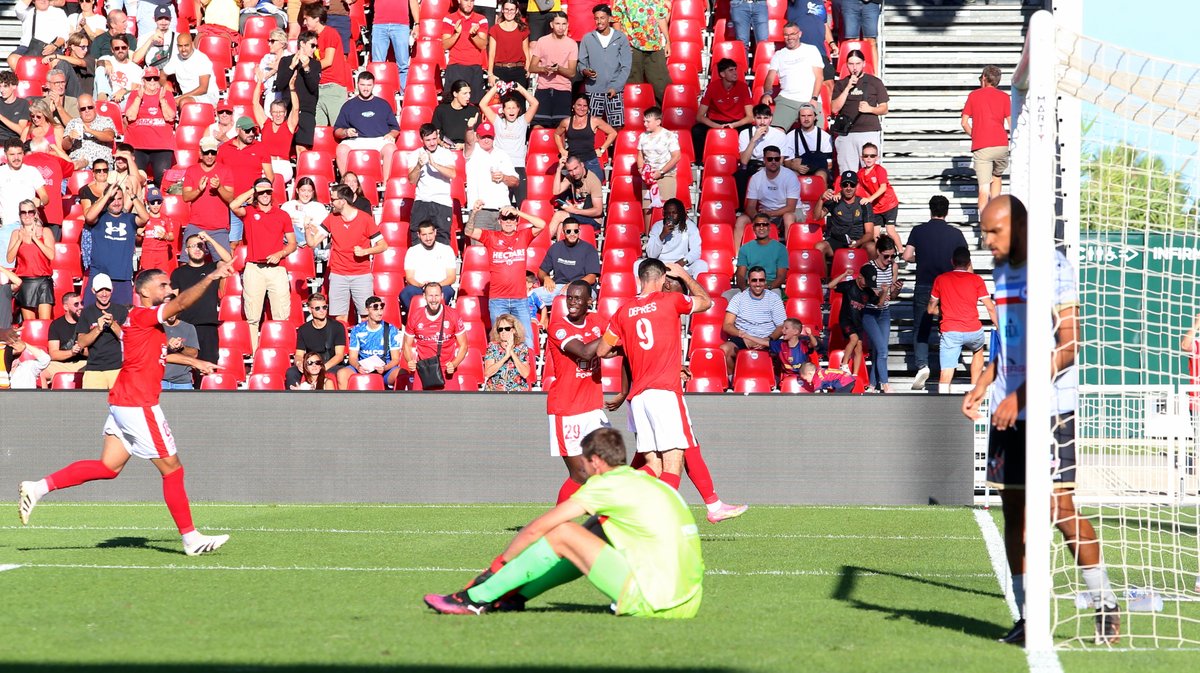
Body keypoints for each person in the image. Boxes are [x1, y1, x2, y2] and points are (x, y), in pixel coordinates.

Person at [962, 195, 1121, 645]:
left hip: (1049, 410)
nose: (986, 240)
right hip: (1008, 408)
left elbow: (1069, 346)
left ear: (1019, 227)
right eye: (983, 232)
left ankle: (1105, 602)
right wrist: (984, 383)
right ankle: (1027, 615)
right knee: (1013, 508)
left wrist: (1021, 394)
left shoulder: (1053, 268)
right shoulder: (1002, 270)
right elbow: (1008, 340)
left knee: (1057, 508)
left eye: (994, 232)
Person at [19, 264, 232, 556]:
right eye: (162, 285)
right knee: (173, 471)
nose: (168, 290)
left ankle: (38, 487)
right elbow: (181, 303)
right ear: (143, 291)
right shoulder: (144, 315)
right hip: (138, 403)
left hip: (122, 402)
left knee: (108, 468)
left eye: (169, 285)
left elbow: (153, 356)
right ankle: (191, 538)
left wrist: (194, 362)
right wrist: (212, 277)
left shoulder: (141, 322)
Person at [423, 427, 704, 617]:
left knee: (564, 533)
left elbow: (538, 529)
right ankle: (513, 599)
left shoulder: (605, 485)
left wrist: (497, 567)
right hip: (688, 602)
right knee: (589, 533)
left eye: (583, 463)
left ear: (595, 461)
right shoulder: (643, 480)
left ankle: (474, 600)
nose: (583, 469)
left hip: (656, 602)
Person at [596, 259, 709, 489]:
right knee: (673, 461)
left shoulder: (623, 311)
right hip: (664, 391)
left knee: (653, 466)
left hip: (638, 398)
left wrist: (627, 345)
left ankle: (619, 491)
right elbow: (706, 302)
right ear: (663, 279)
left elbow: (602, 351)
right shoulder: (670, 301)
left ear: (639, 279)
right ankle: (666, 519)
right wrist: (685, 275)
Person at [543, 280, 610, 501]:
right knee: (580, 474)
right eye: (569, 297)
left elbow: (620, 347)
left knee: (608, 468)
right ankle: (558, 526)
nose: (572, 302)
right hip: (567, 409)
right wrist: (614, 334)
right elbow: (584, 352)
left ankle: (610, 526)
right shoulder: (558, 327)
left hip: (592, 407)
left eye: (577, 298)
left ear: (589, 301)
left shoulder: (597, 321)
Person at [903, 194, 968, 390]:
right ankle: (947, 366)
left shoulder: (918, 230)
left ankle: (922, 365)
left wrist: (920, 259)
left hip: (924, 285)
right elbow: (964, 262)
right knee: (947, 327)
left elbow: (907, 256)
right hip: (948, 287)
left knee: (921, 327)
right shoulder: (956, 234)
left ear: (930, 210)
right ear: (946, 211)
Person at [466, 203, 547, 346]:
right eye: (505, 218)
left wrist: (518, 212)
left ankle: (528, 368)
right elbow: (469, 232)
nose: (509, 221)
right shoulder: (490, 236)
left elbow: (541, 224)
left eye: (512, 218)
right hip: (498, 300)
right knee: (499, 341)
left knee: (526, 339)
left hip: (520, 299)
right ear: (499, 221)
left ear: (517, 221)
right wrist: (474, 212)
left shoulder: (523, 235)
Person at [305, 184, 387, 323]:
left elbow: (383, 245)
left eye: (333, 199)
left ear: (342, 201)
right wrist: (307, 228)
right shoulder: (331, 218)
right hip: (338, 274)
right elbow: (312, 243)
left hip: (361, 274)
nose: (331, 202)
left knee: (367, 317)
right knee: (339, 318)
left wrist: (365, 251)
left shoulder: (365, 219)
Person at [231, 178, 297, 351]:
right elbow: (234, 205)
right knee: (252, 317)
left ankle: (280, 354)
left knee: (281, 316)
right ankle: (254, 356)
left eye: (268, 191)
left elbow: (292, 243)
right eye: (261, 192)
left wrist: (280, 253)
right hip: (254, 268)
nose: (265, 195)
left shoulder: (282, 215)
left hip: (277, 269)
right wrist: (253, 190)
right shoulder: (250, 212)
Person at [930, 246, 996, 394]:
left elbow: (930, 309)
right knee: (978, 349)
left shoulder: (941, 279)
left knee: (946, 371)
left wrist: (944, 311)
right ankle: (974, 389)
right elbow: (991, 308)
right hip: (973, 330)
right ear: (969, 263)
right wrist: (998, 326)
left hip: (950, 331)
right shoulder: (977, 280)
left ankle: (943, 401)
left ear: (952, 262)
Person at [170, 231, 232, 371]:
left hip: (207, 327)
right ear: (186, 250)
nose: (197, 249)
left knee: (208, 369)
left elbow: (228, 260)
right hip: (185, 326)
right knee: (185, 368)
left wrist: (209, 239)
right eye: (193, 246)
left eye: (200, 246)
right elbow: (173, 300)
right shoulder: (178, 273)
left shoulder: (213, 268)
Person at [85, 183, 147, 306]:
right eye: (112, 199)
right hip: (99, 276)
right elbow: (89, 216)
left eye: (119, 199)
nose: (117, 203)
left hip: (122, 277)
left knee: (123, 319)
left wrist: (133, 196)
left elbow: (145, 218)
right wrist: (107, 195)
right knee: (92, 318)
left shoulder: (130, 218)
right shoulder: (100, 217)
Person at [962, 65, 1011, 218]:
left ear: (984, 78)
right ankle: (996, 218)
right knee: (996, 176)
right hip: (1001, 145)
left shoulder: (973, 96)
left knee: (983, 189)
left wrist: (975, 135)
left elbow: (964, 123)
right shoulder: (1004, 97)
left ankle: (985, 229)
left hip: (982, 146)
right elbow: (1011, 124)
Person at [333, 71, 401, 182]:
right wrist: (346, 132)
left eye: (369, 85)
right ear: (357, 85)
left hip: (379, 140)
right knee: (341, 149)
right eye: (363, 85)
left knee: (391, 149)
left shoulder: (383, 104)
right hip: (356, 140)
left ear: (373, 85)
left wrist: (391, 134)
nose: (366, 88)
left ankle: (386, 186)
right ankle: (347, 186)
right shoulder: (348, 105)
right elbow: (337, 130)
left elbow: (395, 129)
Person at [219, 116, 275, 247]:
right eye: (247, 130)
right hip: (232, 201)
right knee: (233, 241)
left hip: (253, 201)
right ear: (238, 130)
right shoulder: (224, 149)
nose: (251, 134)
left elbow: (270, 177)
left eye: (253, 131)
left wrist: (256, 195)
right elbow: (218, 174)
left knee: (257, 240)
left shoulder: (261, 148)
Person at [830, 49, 888, 173]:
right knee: (847, 174)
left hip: (869, 131)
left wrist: (870, 109)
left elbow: (884, 108)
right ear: (846, 65)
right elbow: (834, 108)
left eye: (857, 63)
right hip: (846, 134)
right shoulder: (841, 84)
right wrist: (847, 88)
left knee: (870, 172)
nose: (854, 67)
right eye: (851, 64)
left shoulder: (875, 82)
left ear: (864, 64)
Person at [480, 82, 539, 206]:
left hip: (518, 167)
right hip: (502, 168)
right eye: (508, 108)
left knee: (522, 204)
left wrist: (520, 88)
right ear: (503, 110)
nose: (511, 110)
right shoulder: (498, 122)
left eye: (514, 107)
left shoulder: (522, 121)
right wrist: (496, 87)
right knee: (502, 204)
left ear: (518, 109)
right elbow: (483, 104)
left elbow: (535, 103)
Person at [721, 265, 787, 373]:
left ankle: (775, 381)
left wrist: (767, 340)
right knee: (725, 350)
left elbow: (781, 326)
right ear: (748, 281)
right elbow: (727, 325)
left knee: (786, 351)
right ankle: (733, 381)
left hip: (768, 339)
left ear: (765, 281)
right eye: (754, 280)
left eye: (761, 280)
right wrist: (743, 336)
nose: (758, 284)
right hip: (743, 338)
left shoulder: (774, 298)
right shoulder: (738, 298)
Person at [761, 22, 825, 130]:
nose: (789, 37)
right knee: (775, 133)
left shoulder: (811, 50)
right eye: (786, 35)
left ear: (799, 34)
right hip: (787, 100)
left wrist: (813, 99)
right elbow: (770, 77)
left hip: (809, 100)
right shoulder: (779, 55)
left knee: (816, 135)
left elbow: (819, 77)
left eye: (792, 34)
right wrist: (767, 93)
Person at [403, 283, 469, 389]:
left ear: (442, 296)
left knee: (452, 404)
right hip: (424, 369)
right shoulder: (415, 316)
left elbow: (464, 345)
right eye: (430, 296)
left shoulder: (453, 314)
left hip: (448, 369)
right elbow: (406, 344)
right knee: (419, 404)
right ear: (424, 296)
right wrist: (409, 360)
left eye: (437, 295)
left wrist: (455, 363)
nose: (434, 299)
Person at [732, 145, 800, 244]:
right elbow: (750, 207)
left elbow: (791, 207)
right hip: (766, 214)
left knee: (788, 217)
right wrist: (759, 218)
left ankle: (789, 255)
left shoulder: (790, 176)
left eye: (776, 159)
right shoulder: (756, 178)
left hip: (790, 212)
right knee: (741, 220)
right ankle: (737, 256)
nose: (773, 162)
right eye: (770, 159)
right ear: (764, 160)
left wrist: (770, 214)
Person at [577, 5, 631, 130]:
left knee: (616, 126)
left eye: (602, 18)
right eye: (596, 18)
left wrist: (616, 87)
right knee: (592, 126)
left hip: (614, 90)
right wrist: (585, 71)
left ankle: (615, 150)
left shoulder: (621, 38)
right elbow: (581, 62)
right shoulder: (587, 38)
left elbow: (625, 66)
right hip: (594, 89)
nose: (599, 21)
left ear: (610, 18)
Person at [122, 65, 177, 184]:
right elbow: (130, 116)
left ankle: (159, 201)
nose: (152, 81)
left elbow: (170, 116)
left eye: (155, 78)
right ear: (143, 81)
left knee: (161, 178)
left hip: (161, 146)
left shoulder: (167, 94)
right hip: (137, 146)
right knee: (135, 179)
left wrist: (162, 100)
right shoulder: (134, 95)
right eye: (149, 78)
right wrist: (139, 98)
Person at [860, 236, 900, 393]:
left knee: (878, 350)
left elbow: (893, 295)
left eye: (892, 256)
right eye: (886, 256)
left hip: (884, 313)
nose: (889, 259)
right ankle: (885, 383)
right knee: (883, 350)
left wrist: (896, 288)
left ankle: (872, 384)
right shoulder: (868, 268)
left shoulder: (893, 267)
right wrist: (883, 293)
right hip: (870, 312)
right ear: (878, 252)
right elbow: (876, 299)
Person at [407, 123, 458, 245]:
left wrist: (434, 164)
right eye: (428, 140)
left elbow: (453, 174)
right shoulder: (415, 154)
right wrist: (419, 165)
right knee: (417, 240)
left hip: (442, 202)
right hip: (422, 202)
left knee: (442, 240)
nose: (432, 143)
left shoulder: (446, 153)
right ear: (421, 140)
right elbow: (411, 180)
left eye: (434, 139)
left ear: (438, 136)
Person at [75, 273, 128, 389]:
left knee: (121, 406)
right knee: (93, 406)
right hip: (94, 369)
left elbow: (128, 338)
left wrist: (113, 324)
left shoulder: (121, 311)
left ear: (112, 290)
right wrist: (98, 329)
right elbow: (81, 342)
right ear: (93, 291)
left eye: (107, 290)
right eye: (100, 290)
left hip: (118, 368)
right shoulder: (87, 313)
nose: (104, 294)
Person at [465, 121, 521, 232]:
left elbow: (516, 181)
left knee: (502, 248)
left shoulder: (502, 154)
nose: (486, 140)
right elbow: (468, 142)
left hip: (502, 210)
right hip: (480, 210)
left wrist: (503, 177)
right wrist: (469, 128)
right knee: (480, 248)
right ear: (477, 137)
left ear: (493, 137)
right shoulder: (473, 151)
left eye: (489, 137)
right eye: (483, 137)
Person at [694, 58, 754, 159]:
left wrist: (733, 125)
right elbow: (699, 116)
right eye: (731, 70)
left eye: (735, 69)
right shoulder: (712, 87)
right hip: (716, 121)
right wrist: (717, 126)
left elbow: (750, 117)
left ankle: (745, 161)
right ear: (722, 74)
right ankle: (702, 162)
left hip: (737, 122)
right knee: (697, 130)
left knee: (750, 131)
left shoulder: (743, 87)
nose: (735, 73)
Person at [6, 200, 56, 322]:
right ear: (20, 215)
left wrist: (35, 239)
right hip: (25, 281)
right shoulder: (16, 233)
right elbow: (9, 259)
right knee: (29, 323)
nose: (27, 215)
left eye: (30, 212)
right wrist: (19, 240)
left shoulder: (45, 231)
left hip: (43, 280)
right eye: (23, 212)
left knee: (45, 321)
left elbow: (51, 255)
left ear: (35, 214)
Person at [302, 5, 351, 127]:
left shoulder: (330, 33)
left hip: (332, 86)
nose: (304, 23)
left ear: (316, 19)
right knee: (319, 129)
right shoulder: (312, 37)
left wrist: (308, 67)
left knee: (338, 128)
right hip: (319, 87)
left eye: (306, 19)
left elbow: (328, 60)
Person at [611, 0, 668, 104]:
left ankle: (661, 116)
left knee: (662, 85)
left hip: (655, 45)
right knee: (634, 86)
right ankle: (635, 116)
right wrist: (621, 42)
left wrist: (668, 41)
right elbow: (616, 19)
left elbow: (661, 17)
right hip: (632, 46)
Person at [285, 293, 347, 388]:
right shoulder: (303, 329)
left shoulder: (337, 327)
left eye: (324, 307)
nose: (322, 311)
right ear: (310, 310)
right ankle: (294, 399)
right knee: (291, 372)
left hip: (331, 364)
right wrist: (299, 363)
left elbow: (339, 355)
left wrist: (322, 368)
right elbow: (298, 354)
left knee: (339, 373)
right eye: (317, 308)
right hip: (311, 365)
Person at [535, 217, 600, 306]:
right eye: (568, 231)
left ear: (579, 231)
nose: (572, 234)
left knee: (570, 298)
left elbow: (592, 278)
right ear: (563, 231)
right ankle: (541, 319)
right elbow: (541, 271)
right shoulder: (555, 248)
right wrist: (546, 278)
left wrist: (572, 285)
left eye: (575, 231)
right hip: (559, 287)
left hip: (582, 287)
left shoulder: (589, 249)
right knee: (531, 296)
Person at [527, 12, 578, 128]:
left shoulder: (572, 44)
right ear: (551, 24)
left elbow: (572, 72)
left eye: (564, 24)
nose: (561, 27)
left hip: (563, 90)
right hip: (543, 89)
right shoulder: (542, 41)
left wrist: (558, 69)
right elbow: (532, 67)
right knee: (538, 126)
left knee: (561, 128)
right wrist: (543, 69)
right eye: (558, 24)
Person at [274, 30, 321, 151]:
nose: (314, 49)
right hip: (288, 110)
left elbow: (313, 88)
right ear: (302, 44)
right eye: (312, 45)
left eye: (316, 46)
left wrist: (306, 69)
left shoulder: (315, 65)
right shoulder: (285, 61)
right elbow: (280, 85)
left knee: (301, 148)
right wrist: (291, 67)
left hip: (306, 111)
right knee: (283, 148)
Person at [827, 262, 876, 377]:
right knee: (853, 339)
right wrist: (844, 274)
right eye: (866, 281)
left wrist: (884, 292)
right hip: (846, 320)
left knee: (859, 348)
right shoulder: (849, 285)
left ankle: (855, 375)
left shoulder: (868, 291)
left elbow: (879, 302)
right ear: (860, 277)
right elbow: (830, 286)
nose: (867, 285)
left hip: (858, 322)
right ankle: (843, 365)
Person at [346, 295, 405, 389]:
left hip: (384, 367)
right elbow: (352, 357)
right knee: (342, 374)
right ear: (367, 310)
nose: (379, 312)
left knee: (401, 374)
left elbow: (395, 359)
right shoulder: (357, 330)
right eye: (375, 309)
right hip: (363, 366)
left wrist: (384, 368)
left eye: (381, 309)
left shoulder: (391, 329)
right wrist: (358, 367)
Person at [636, 107, 681, 229]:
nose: (645, 124)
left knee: (667, 209)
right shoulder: (643, 136)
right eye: (644, 121)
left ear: (658, 121)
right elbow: (640, 155)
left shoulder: (669, 136)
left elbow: (676, 156)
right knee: (648, 209)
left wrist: (661, 172)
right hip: (648, 177)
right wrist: (641, 170)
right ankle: (649, 236)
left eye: (648, 121)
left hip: (665, 176)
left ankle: (667, 235)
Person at [736, 104, 788, 206]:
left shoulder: (779, 135)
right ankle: (742, 207)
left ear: (771, 119)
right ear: (754, 119)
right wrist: (754, 140)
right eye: (759, 118)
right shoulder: (745, 133)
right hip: (751, 165)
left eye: (766, 118)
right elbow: (744, 161)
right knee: (740, 175)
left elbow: (780, 161)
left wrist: (765, 168)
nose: (762, 122)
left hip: (771, 164)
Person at [814, 170, 873, 260]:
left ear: (856, 186)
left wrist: (858, 242)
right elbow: (816, 217)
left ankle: (871, 273)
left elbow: (869, 233)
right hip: (837, 241)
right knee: (819, 247)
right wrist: (821, 199)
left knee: (871, 247)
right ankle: (823, 274)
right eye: (845, 185)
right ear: (841, 186)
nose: (848, 188)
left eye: (852, 185)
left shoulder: (863, 204)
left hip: (858, 241)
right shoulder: (834, 201)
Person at [402, 221, 458, 313]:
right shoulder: (412, 251)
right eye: (424, 235)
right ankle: (415, 318)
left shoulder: (446, 250)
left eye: (430, 234)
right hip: (419, 287)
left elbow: (451, 277)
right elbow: (409, 277)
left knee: (448, 291)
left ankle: (439, 317)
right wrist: (421, 285)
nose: (428, 238)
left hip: (441, 286)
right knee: (406, 292)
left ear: (435, 232)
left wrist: (436, 286)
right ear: (418, 235)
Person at [729, 213, 788, 299]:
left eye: (765, 224)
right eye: (758, 225)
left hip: (771, 287)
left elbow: (781, 276)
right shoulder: (745, 248)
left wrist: (767, 288)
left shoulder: (781, 249)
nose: (761, 227)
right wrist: (745, 289)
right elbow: (740, 275)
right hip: (749, 286)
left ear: (769, 227)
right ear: (753, 228)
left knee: (775, 297)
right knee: (727, 295)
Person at [253, 78, 299, 186]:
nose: (278, 115)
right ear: (271, 113)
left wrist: (292, 88)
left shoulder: (289, 126)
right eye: (275, 112)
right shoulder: (265, 124)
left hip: (283, 165)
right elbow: (255, 103)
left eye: (281, 112)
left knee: (273, 179)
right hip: (267, 164)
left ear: (285, 113)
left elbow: (296, 108)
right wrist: (259, 82)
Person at [644, 197, 706, 278]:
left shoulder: (690, 226)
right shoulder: (657, 226)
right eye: (668, 213)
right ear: (664, 213)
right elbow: (651, 255)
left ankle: (694, 290)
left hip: (682, 265)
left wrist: (684, 261)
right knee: (637, 265)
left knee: (701, 265)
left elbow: (696, 251)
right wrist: (662, 235)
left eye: (674, 213)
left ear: (680, 213)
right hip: (661, 265)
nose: (671, 216)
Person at [547, 155, 606, 239]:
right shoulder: (571, 177)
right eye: (570, 170)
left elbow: (598, 211)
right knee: (561, 225)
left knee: (559, 215)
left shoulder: (593, 181)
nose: (574, 173)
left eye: (575, 168)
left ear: (582, 165)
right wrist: (559, 169)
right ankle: (560, 251)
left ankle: (544, 243)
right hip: (579, 215)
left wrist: (574, 210)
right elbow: (556, 191)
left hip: (593, 220)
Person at [442, 0, 489, 103]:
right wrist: (456, 34)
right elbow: (445, 45)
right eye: (466, 0)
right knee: (452, 104)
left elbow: (482, 45)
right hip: (455, 67)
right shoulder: (449, 19)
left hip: (475, 68)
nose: (469, 4)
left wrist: (473, 36)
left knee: (475, 105)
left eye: (471, 1)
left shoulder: (481, 19)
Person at [856, 142, 900, 249]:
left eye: (872, 156)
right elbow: (855, 187)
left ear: (877, 157)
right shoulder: (860, 173)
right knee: (875, 234)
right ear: (862, 157)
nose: (869, 158)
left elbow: (883, 187)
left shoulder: (879, 170)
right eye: (866, 156)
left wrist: (869, 199)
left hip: (889, 204)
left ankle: (901, 251)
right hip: (876, 207)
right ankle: (879, 253)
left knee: (890, 230)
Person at [8, 0, 69, 72]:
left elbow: (64, 35)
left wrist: (54, 46)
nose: (43, 0)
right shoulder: (27, 12)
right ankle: (26, 81)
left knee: (56, 62)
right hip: (27, 47)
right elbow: (19, 7)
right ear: (33, 1)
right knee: (12, 59)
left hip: (50, 47)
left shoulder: (59, 12)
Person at [41, 292, 87, 387]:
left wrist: (82, 350)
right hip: (61, 364)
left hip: (84, 363)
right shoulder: (56, 325)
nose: (81, 307)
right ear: (66, 307)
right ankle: (44, 400)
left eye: (82, 303)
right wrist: (72, 352)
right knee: (40, 372)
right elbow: (53, 354)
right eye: (76, 304)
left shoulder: (88, 322)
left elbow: (96, 352)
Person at [0, 141, 50, 229]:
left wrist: (40, 202)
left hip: (30, 225)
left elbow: (45, 197)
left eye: (19, 154)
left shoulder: (32, 171)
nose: (16, 158)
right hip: (7, 224)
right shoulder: (1, 172)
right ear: (5, 155)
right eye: (12, 154)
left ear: (23, 153)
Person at [782, 102, 834, 183]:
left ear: (815, 117)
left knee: (821, 175)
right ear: (798, 118)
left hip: (819, 169)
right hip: (799, 170)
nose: (806, 119)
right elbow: (786, 161)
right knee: (792, 176)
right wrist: (794, 166)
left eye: (809, 115)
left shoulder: (825, 137)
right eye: (803, 116)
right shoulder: (790, 136)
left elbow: (829, 164)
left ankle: (823, 195)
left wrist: (812, 166)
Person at [63, 93, 117, 170]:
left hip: (100, 163)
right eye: (83, 109)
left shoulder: (105, 120)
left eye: (90, 107)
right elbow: (65, 146)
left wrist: (89, 131)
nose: (87, 111)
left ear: (94, 106)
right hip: (78, 162)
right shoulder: (73, 123)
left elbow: (109, 137)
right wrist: (69, 138)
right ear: (78, 110)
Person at [162, 32, 217, 106]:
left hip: (206, 96)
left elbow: (203, 89)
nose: (183, 49)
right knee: (163, 102)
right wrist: (165, 83)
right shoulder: (176, 58)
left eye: (186, 45)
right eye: (180, 46)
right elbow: (162, 73)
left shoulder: (202, 59)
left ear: (192, 44)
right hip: (186, 96)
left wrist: (180, 98)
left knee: (184, 102)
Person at [483, 313, 532, 391]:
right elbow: (488, 373)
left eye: (507, 329)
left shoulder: (522, 347)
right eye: (500, 329)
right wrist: (505, 357)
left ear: (514, 330)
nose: (503, 331)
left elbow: (525, 373)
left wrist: (511, 352)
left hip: (517, 390)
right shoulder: (492, 346)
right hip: (495, 390)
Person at [280, 177, 328, 254]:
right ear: (297, 190)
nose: (306, 194)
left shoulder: (319, 207)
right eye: (303, 190)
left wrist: (309, 227)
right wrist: (288, 224)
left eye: (309, 191)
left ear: (313, 192)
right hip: (291, 244)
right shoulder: (287, 206)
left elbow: (323, 232)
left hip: (311, 243)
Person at [161, 296, 200, 390]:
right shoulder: (155, 327)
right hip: (160, 380)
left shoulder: (189, 328)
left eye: (173, 308)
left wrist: (181, 347)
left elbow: (194, 354)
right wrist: (166, 344)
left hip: (183, 381)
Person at [371, 0, 413, 89]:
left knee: (403, 65)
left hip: (401, 24)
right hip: (379, 24)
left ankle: (404, 95)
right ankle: (378, 93)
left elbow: (413, 2)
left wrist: (417, 23)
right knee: (377, 64)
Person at [488, 0, 530, 87]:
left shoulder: (523, 29)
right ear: (502, 10)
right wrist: (490, 74)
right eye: (506, 9)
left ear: (516, 10)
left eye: (511, 9)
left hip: (518, 70)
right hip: (500, 70)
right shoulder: (495, 29)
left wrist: (527, 68)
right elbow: (491, 53)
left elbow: (526, 50)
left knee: (518, 100)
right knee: (500, 100)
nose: (509, 12)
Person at [135, 185, 175, 274]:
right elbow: (138, 241)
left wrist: (165, 236)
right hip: (148, 253)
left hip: (162, 253)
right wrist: (138, 234)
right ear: (147, 203)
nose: (156, 205)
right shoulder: (144, 218)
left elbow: (172, 237)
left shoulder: (166, 219)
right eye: (152, 202)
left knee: (162, 277)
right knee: (147, 277)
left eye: (159, 202)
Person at [97, 34, 145, 105]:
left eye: (123, 47)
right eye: (117, 48)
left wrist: (124, 90)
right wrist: (105, 62)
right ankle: (102, 100)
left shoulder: (135, 68)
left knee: (133, 93)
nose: (120, 50)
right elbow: (97, 62)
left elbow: (136, 87)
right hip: (106, 95)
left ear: (128, 48)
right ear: (112, 50)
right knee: (100, 69)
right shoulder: (107, 59)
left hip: (123, 100)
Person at [432, 80, 479, 149]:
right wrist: (442, 144)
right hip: (445, 149)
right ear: (455, 94)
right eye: (465, 93)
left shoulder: (473, 111)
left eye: (469, 93)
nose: (468, 96)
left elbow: (477, 137)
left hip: (467, 149)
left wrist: (463, 146)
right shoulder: (441, 110)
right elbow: (435, 133)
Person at [770, 317, 819, 383]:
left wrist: (810, 335)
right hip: (787, 378)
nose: (782, 331)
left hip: (803, 377)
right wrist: (750, 337)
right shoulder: (781, 344)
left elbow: (814, 344)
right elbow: (764, 342)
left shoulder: (803, 345)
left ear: (795, 331)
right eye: (783, 328)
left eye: (786, 328)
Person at [0, 71, 31, 145]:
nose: (1, 90)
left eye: (5, 86)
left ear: (14, 86)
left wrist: (1, 117)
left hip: (14, 141)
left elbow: (21, 130)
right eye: (0, 86)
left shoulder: (23, 104)